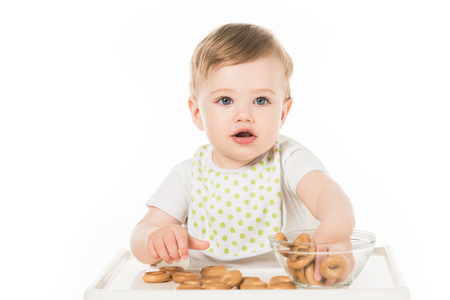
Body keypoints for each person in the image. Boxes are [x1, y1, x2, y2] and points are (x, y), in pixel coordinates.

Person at [130, 23, 355, 285]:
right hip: (207, 289)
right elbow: (139, 237)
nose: (244, 115)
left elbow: (327, 193)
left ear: (282, 113)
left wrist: (336, 226)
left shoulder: (288, 159)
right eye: (225, 100)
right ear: (198, 114)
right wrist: (154, 239)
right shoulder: (188, 175)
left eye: (261, 101)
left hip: (282, 287)